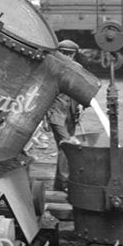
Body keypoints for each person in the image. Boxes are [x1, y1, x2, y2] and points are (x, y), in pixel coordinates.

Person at [47, 38, 85, 192]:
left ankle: (60, 183)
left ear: (75, 55)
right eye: (64, 53)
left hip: (71, 113)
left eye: (70, 54)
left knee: (65, 147)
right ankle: (64, 183)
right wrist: (45, 116)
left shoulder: (78, 68)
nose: (67, 57)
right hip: (57, 114)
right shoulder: (51, 69)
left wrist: (81, 105)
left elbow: (81, 90)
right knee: (67, 145)